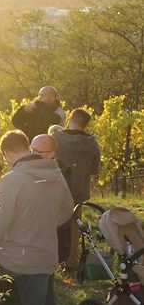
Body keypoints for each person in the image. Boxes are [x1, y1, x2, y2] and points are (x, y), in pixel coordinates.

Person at [0, 130, 73, 305]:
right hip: (44, 258)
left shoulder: (11, 180)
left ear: (7, 154)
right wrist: (43, 224)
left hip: (12, 260)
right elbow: (66, 210)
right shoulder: (56, 175)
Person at [30, 133, 73, 305]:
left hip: (47, 244)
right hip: (36, 243)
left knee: (44, 292)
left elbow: (65, 210)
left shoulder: (56, 175)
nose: (33, 155)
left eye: (39, 152)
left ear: (52, 154)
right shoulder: (35, 170)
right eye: (32, 151)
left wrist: (45, 224)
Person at [50, 108, 101, 269]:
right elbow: (94, 170)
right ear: (86, 124)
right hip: (80, 189)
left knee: (54, 223)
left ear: (70, 118)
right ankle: (71, 260)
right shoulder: (92, 143)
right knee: (74, 226)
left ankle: (53, 259)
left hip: (57, 188)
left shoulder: (56, 138)